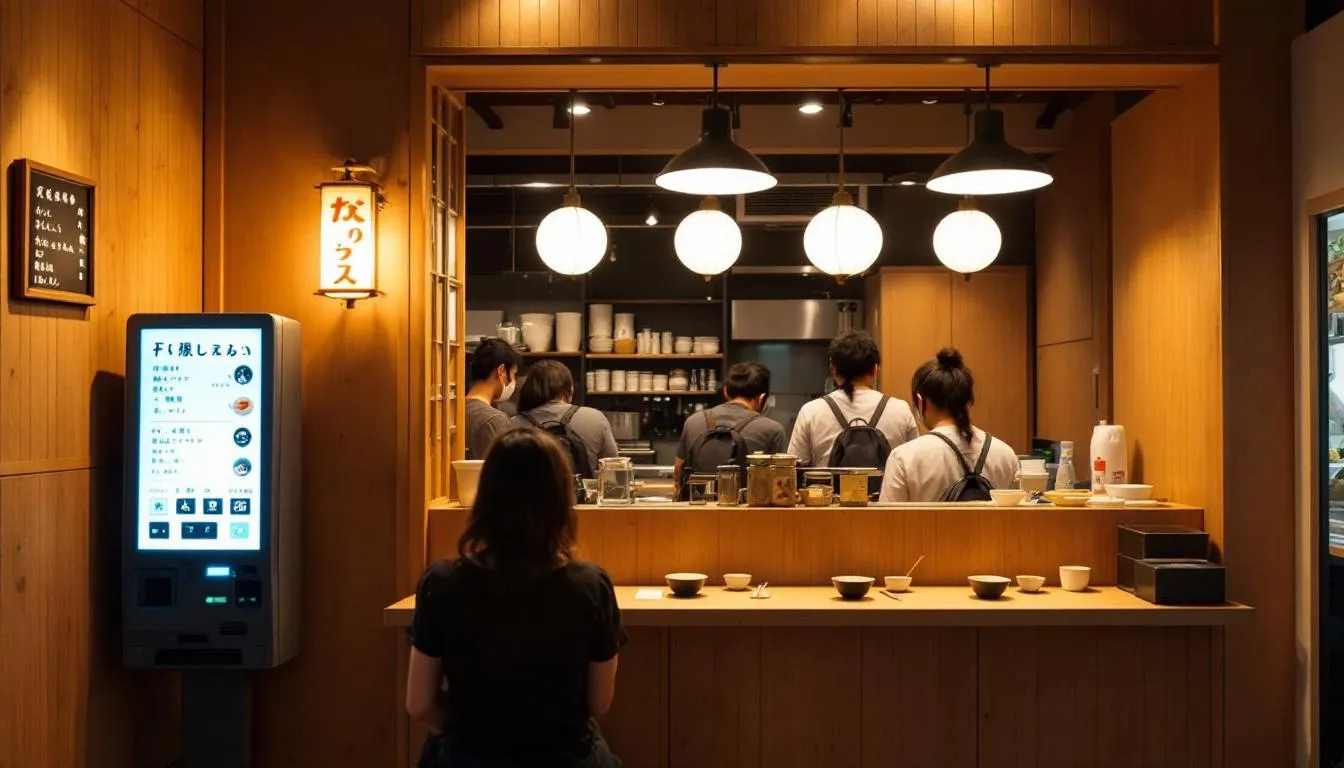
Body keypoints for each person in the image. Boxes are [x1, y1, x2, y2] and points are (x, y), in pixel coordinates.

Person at [407, 428, 626, 768]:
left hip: (467, 756)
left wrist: (472, 729)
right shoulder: (590, 586)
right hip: (564, 756)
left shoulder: (442, 583)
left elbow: (420, 704)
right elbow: (599, 702)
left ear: (485, 496)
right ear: (560, 499)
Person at [879, 348, 1020, 502]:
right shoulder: (1006, 455)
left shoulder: (903, 458)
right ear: (968, 401)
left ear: (920, 401)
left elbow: (888, 524)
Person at [787, 331, 919, 468]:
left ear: (833, 369)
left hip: (828, 489)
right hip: (886, 490)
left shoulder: (811, 411)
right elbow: (914, 465)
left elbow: (796, 468)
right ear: (875, 369)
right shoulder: (900, 410)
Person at [674, 361, 788, 497]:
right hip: (748, 515)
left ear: (725, 391)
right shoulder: (772, 430)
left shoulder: (693, 422)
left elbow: (678, 471)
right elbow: (780, 487)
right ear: (762, 398)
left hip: (698, 511)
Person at [511, 360, 618, 479]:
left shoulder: (512, 425)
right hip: (579, 497)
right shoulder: (595, 418)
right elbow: (613, 470)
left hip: (526, 497)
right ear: (570, 390)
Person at [464, 339, 519, 460]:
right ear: (502, 371)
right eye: (514, 374)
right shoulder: (494, 420)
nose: (514, 382)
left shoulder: (453, 410)